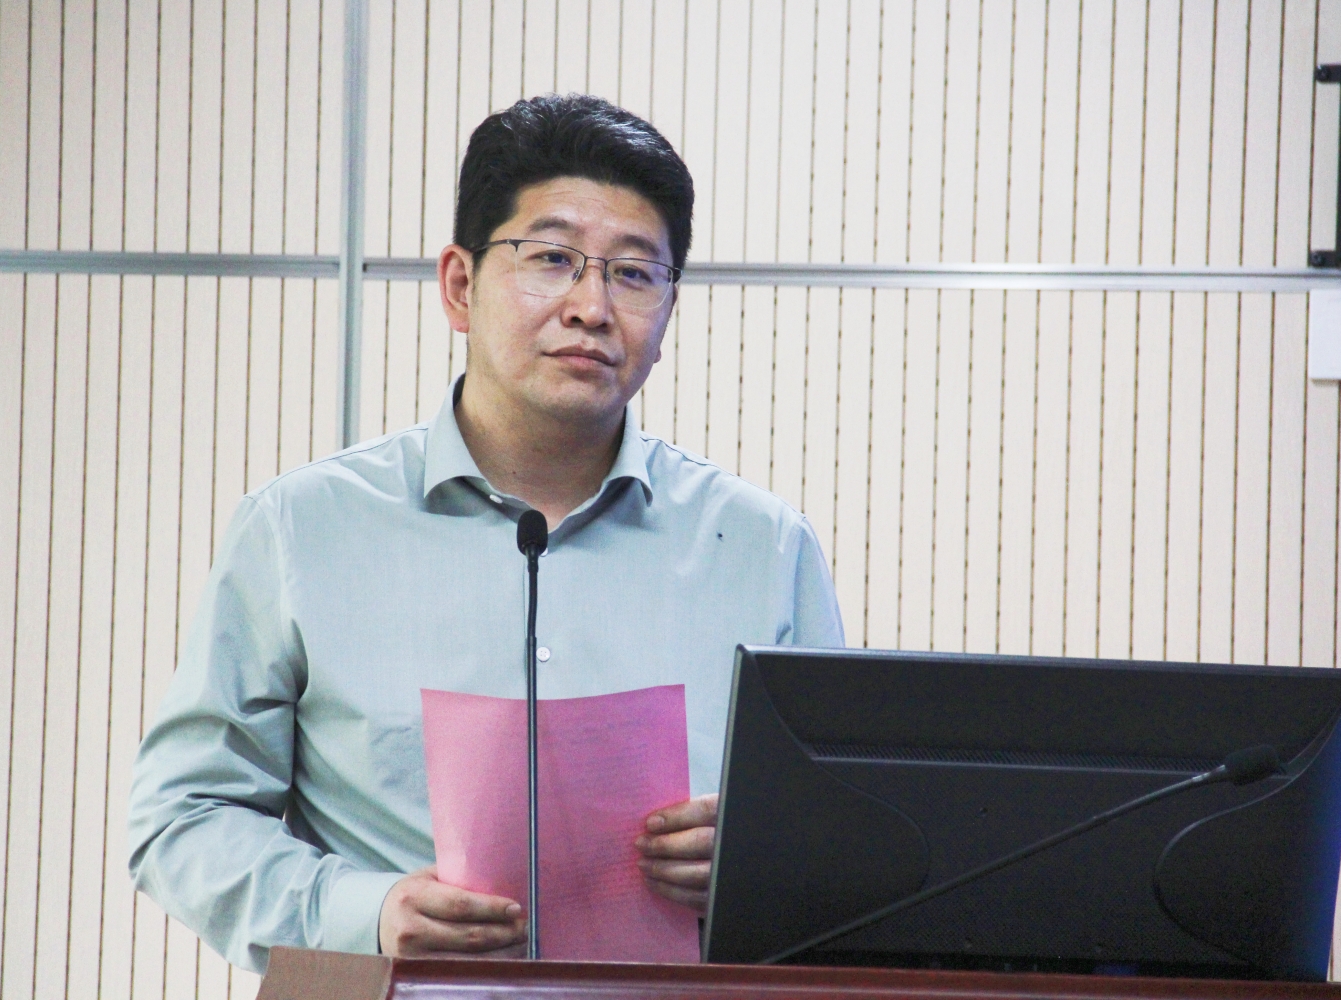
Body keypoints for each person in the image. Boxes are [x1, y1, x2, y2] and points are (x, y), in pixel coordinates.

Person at [127, 93, 844, 972]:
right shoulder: (300, 530)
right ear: (460, 286)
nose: (591, 306)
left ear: (667, 313)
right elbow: (182, 820)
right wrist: (364, 912)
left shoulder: (766, 550)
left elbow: (844, 848)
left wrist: (759, 862)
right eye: (552, 259)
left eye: (633, 273)